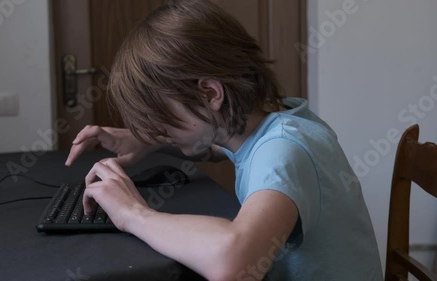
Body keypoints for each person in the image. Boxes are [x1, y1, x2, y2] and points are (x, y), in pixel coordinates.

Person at [65, 0, 383, 280]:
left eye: (159, 116)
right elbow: (222, 149)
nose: (152, 129)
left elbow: (234, 265)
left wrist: (133, 213)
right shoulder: (277, 123)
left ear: (210, 93)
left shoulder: (283, 150)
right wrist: (148, 141)